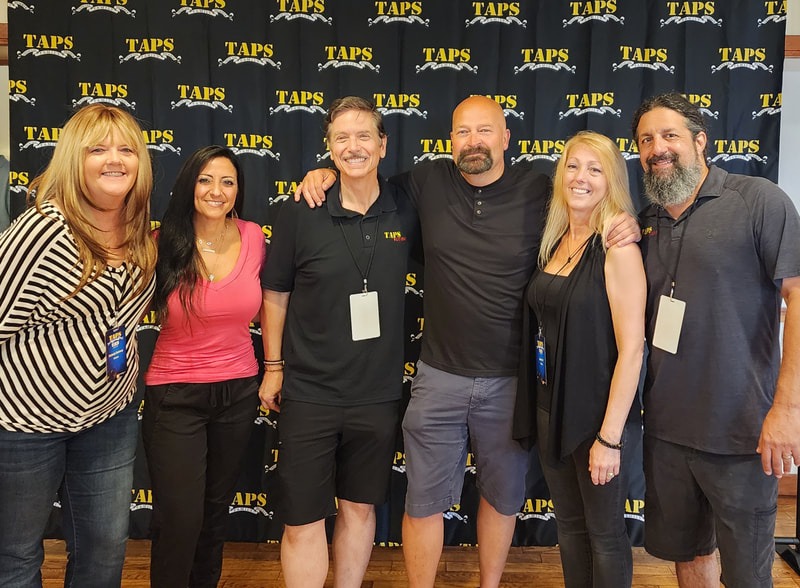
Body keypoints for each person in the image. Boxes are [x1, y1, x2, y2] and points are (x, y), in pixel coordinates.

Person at [296, 95, 641, 587]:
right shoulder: (425, 182)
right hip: (438, 376)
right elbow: (362, 181)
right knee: (423, 503)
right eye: (462, 131)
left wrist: (626, 221)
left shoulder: (540, 191)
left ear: (506, 138)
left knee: (502, 500)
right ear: (450, 140)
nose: (473, 141)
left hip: (512, 383)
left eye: (484, 130)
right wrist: (324, 175)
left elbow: (590, 209)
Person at [633, 92, 800, 588]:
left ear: (701, 141)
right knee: (688, 555)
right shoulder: (646, 220)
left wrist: (788, 409)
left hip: (742, 433)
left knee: (747, 574)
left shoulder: (758, 200)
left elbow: (798, 293)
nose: (657, 148)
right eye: (646, 140)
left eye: (670, 135)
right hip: (666, 430)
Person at [259, 96, 418, 587]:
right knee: (302, 519)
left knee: (358, 509)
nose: (354, 147)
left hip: (377, 394)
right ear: (329, 148)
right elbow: (275, 292)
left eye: (364, 135)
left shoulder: (407, 207)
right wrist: (273, 366)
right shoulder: (301, 209)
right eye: (342, 138)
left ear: (383, 144)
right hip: (310, 393)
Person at [0, 103, 157, 587]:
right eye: (98, 149)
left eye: (127, 149)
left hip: (108, 417)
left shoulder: (137, 227)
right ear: (74, 158)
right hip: (26, 424)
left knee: (104, 550)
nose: (115, 159)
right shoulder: (43, 231)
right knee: (16, 556)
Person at [513, 131, 645, 587]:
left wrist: (609, 438)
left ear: (611, 181)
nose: (580, 177)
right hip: (551, 410)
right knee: (569, 528)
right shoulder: (555, 242)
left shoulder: (617, 248)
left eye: (594, 169)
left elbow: (632, 350)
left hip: (597, 420)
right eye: (572, 166)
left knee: (605, 535)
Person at [142, 146, 265, 587]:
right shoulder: (160, 242)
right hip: (176, 394)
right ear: (189, 185)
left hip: (238, 391)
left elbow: (270, 306)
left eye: (227, 182)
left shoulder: (253, 236)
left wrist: (274, 368)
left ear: (238, 190)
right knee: (181, 518)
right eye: (205, 180)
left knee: (214, 514)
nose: (217, 191)